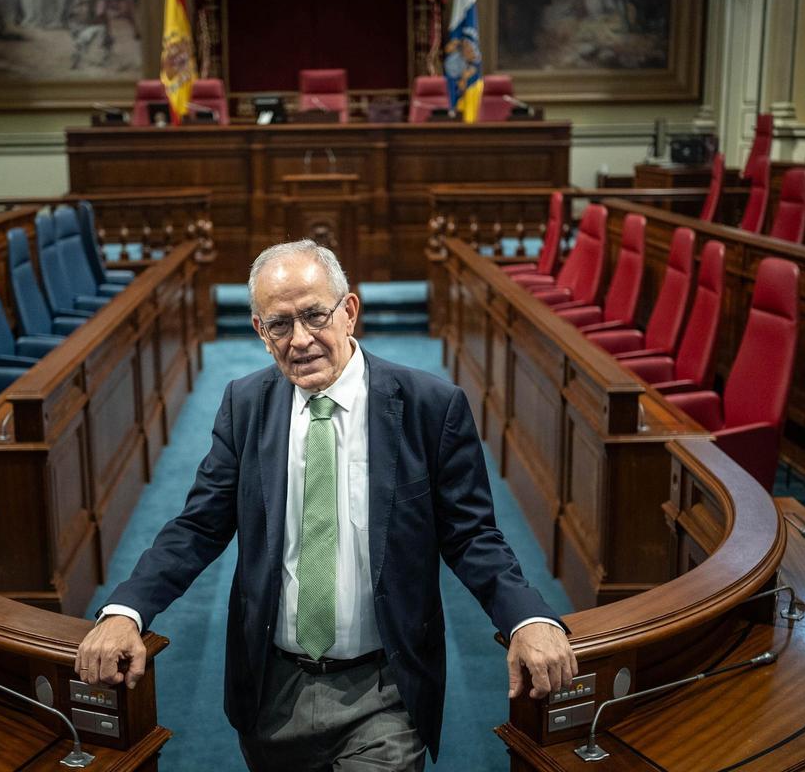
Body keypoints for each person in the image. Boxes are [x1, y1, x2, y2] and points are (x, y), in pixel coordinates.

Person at [75, 239, 576, 771]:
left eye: (315, 316)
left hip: (385, 687)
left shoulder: (430, 408)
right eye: (280, 325)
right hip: (271, 686)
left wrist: (527, 618)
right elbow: (198, 527)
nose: (301, 340)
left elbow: (472, 536)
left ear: (350, 312)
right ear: (260, 333)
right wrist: (127, 609)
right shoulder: (245, 406)